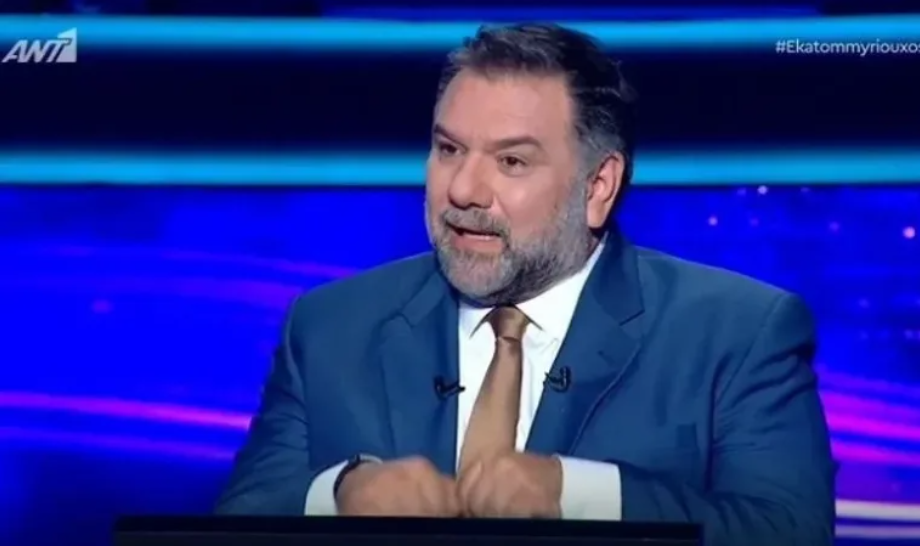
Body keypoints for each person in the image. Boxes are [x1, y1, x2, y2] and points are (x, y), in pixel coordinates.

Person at [215, 23, 835, 546]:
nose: (463, 190)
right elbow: (234, 522)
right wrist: (339, 494)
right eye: (449, 149)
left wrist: (575, 494)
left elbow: (789, 530)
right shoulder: (328, 327)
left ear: (598, 187)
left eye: (511, 161)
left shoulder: (738, 333)